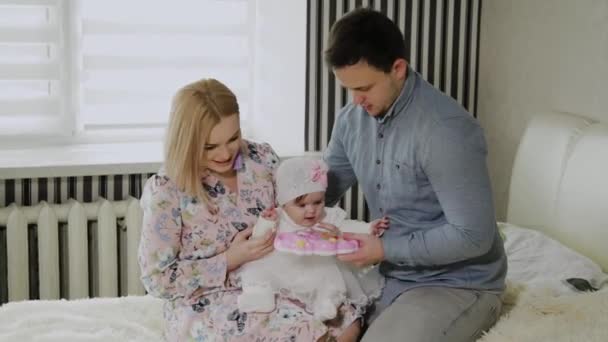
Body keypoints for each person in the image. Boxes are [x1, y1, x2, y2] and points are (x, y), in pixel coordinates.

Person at [322, 8, 507, 342]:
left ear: (398, 69)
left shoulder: (446, 130)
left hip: (456, 282)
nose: (356, 100)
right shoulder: (352, 119)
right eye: (348, 88)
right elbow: (322, 190)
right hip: (389, 274)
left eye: (364, 87)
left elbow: (473, 236)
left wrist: (383, 249)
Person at [138, 78, 364, 341]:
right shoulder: (167, 190)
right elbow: (157, 279)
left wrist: (323, 229)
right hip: (211, 299)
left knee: (348, 320)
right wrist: (229, 259)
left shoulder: (261, 158)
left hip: (282, 274)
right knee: (302, 332)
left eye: (233, 138)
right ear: (186, 140)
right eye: (209, 146)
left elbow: (295, 208)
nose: (225, 153)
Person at [237, 158, 387, 326]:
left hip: (315, 266)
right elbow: (259, 238)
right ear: (284, 203)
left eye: (318, 202)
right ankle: (259, 296)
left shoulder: (326, 217)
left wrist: (368, 229)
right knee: (256, 271)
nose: (311, 210)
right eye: (301, 205)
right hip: (282, 266)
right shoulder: (278, 216)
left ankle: (327, 302)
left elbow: (346, 226)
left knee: (331, 276)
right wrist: (267, 222)